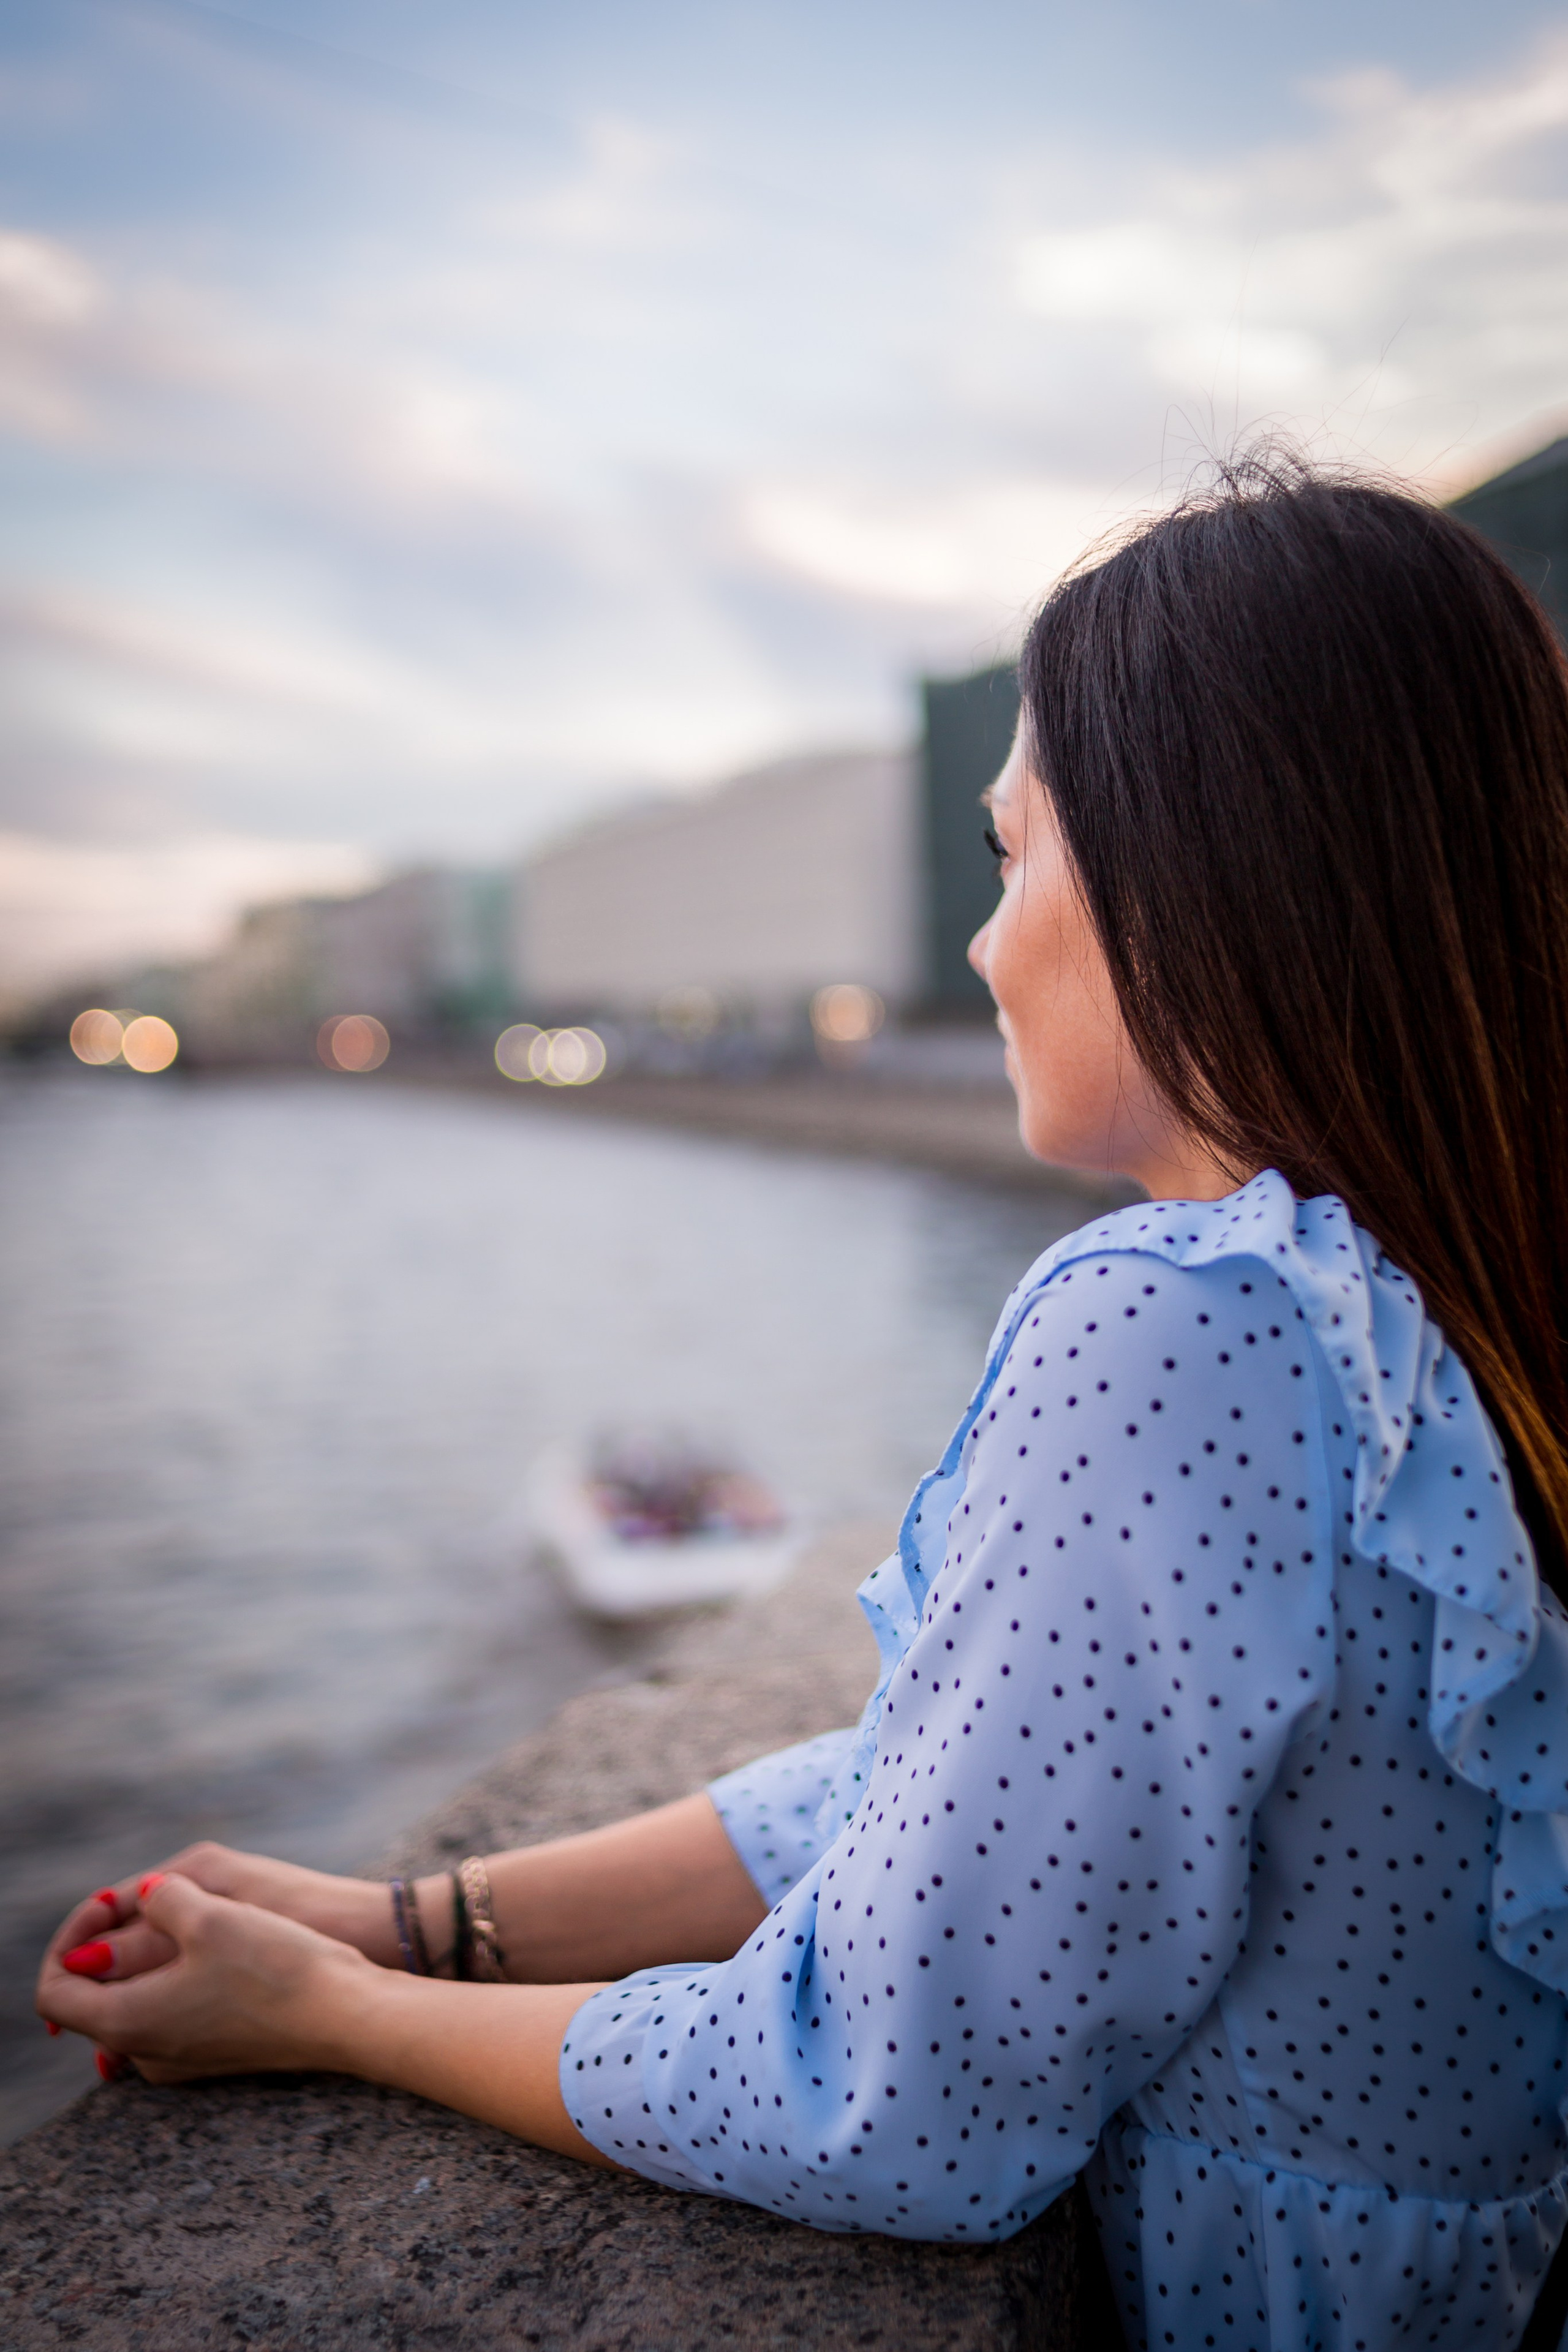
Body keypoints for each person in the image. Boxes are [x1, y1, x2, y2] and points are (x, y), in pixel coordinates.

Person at [38, 458, 1568, 2350]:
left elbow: (894, 2091)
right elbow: (964, 1788)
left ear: (1196, 867)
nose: (983, 946)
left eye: (1015, 859)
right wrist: (408, 1918)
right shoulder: (1449, 1303)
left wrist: (329, 2016)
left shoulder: (1193, 1329)